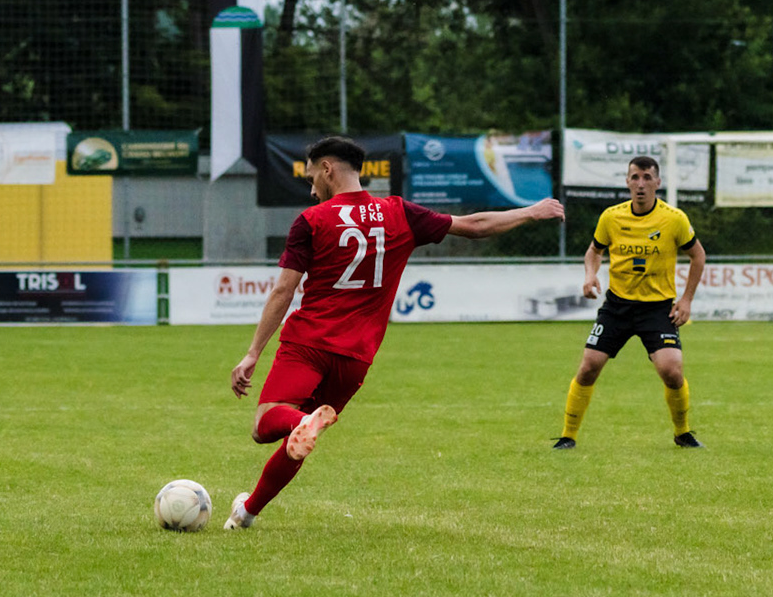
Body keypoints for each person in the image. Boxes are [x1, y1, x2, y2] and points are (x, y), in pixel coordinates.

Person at [225, 135, 563, 529]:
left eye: (312, 174)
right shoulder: (399, 213)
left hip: (308, 343)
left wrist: (252, 352)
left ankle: (297, 423)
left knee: (266, 423)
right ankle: (246, 513)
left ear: (328, 168)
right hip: (356, 357)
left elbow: (284, 289)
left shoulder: (312, 220)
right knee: (299, 439)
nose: (311, 184)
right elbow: (473, 225)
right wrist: (530, 211)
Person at [555, 155, 707, 450]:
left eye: (647, 178)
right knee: (588, 368)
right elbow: (593, 251)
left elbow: (698, 255)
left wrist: (686, 300)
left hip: (657, 308)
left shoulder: (674, 219)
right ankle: (567, 436)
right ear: (626, 182)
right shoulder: (611, 217)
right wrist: (590, 275)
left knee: (672, 371)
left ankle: (683, 432)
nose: (640, 184)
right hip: (618, 307)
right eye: (635, 177)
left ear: (658, 183)